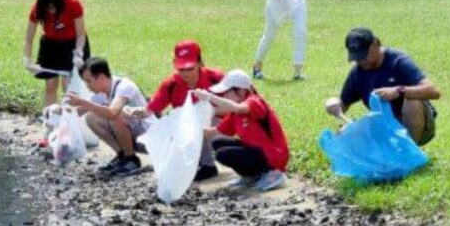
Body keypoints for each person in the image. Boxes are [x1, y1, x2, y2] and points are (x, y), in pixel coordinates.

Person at [325, 28, 441, 145]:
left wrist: (398, 91)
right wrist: (334, 104)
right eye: (357, 57)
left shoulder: (398, 60)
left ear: (375, 44)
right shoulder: (358, 73)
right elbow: (343, 105)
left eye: (364, 55)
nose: (361, 61)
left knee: (412, 100)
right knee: (343, 133)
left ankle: (408, 152)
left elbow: (434, 91)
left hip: (418, 125)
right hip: (385, 126)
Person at [133, 40, 225, 181]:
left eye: (190, 68)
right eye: (181, 69)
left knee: (199, 121)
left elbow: (237, 105)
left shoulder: (216, 78)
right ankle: (200, 163)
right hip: (192, 127)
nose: (185, 73)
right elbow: (151, 109)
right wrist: (134, 112)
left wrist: (209, 112)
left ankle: (208, 164)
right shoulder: (171, 84)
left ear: (200, 63)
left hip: (223, 124)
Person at [195, 70, 289, 191]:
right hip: (256, 151)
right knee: (218, 143)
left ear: (240, 91)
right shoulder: (235, 113)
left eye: (227, 92)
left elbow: (238, 108)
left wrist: (210, 97)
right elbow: (214, 132)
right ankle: (251, 175)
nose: (224, 96)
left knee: (223, 154)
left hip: (273, 155)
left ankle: (272, 173)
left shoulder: (254, 101)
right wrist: (193, 131)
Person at [66, 57, 153, 178]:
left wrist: (82, 102)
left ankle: (131, 160)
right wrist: (60, 111)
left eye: (88, 81)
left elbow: (112, 112)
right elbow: (78, 113)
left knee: (115, 115)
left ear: (101, 77)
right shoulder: (101, 93)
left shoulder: (124, 86)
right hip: (134, 138)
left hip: (149, 139)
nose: (87, 86)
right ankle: (122, 156)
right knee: (91, 118)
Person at [23, 0, 91, 107]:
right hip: (51, 45)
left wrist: (79, 53)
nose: (51, 10)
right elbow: (29, 38)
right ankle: (49, 120)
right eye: (48, 7)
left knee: (69, 86)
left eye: (54, 6)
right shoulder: (37, 8)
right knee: (50, 85)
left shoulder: (73, 3)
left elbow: (81, 35)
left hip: (74, 44)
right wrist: (27, 60)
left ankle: (72, 121)